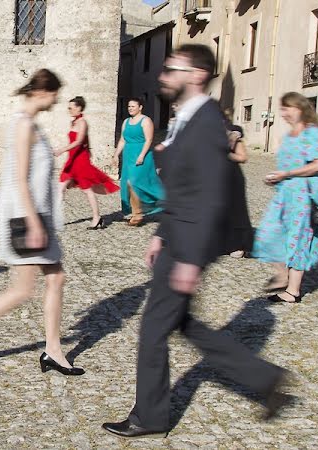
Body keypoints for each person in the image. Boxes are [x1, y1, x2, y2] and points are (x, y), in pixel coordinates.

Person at [102, 45, 289, 439]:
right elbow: (185, 189)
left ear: (198, 74)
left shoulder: (204, 121)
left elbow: (211, 195)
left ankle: (150, 418)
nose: (163, 75)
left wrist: (189, 258)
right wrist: (160, 234)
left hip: (189, 244)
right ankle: (266, 380)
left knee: (154, 329)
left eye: (172, 69)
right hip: (178, 236)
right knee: (181, 323)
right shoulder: (187, 118)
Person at [0, 69, 84, 376]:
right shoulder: (23, 125)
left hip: (36, 215)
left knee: (56, 278)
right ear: (41, 92)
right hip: (27, 216)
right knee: (21, 290)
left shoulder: (29, 123)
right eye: (54, 94)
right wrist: (34, 223)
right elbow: (19, 179)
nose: (57, 100)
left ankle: (53, 349)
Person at [251, 92, 318, 304]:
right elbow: (287, 166)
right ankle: (283, 274)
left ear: (300, 108)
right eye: (282, 109)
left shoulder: (312, 133)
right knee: (266, 234)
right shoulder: (289, 135)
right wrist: (277, 178)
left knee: (298, 239)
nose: (283, 113)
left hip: (304, 196)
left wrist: (288, 174)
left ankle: (292, 291)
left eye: (287, 108)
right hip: (285, 194)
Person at [53, 96, 119, 229]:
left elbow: (78, 141)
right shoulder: (73, 122)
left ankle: (97, 217)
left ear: (79, 107)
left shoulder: (82, 122)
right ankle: (53, 220)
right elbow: (84, 142)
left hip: (80, 161)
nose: (69, 110)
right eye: (69, 108)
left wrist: (61, 150)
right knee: (60, 188)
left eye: (71, 108)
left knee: (87, 190)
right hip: (72, 160)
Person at [113, 98, 164, 226]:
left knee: (134, 182)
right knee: (127, 184)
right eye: (129, 106)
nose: (130, 108)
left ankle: (141, 212)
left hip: (142, 155)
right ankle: (136, 212)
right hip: (128, 155)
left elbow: (149, 139)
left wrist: (141, 155)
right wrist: (115, 155)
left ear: (140, 107)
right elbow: (122, 140)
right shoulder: (126, 122)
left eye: (133, 106)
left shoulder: (146, 121)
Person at [223, 107, 252, 258]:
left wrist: (223, 154)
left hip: (231, 177)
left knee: (234, 211)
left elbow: (242, 157)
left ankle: (236, 244)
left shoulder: (233, 132)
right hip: (210, 178)